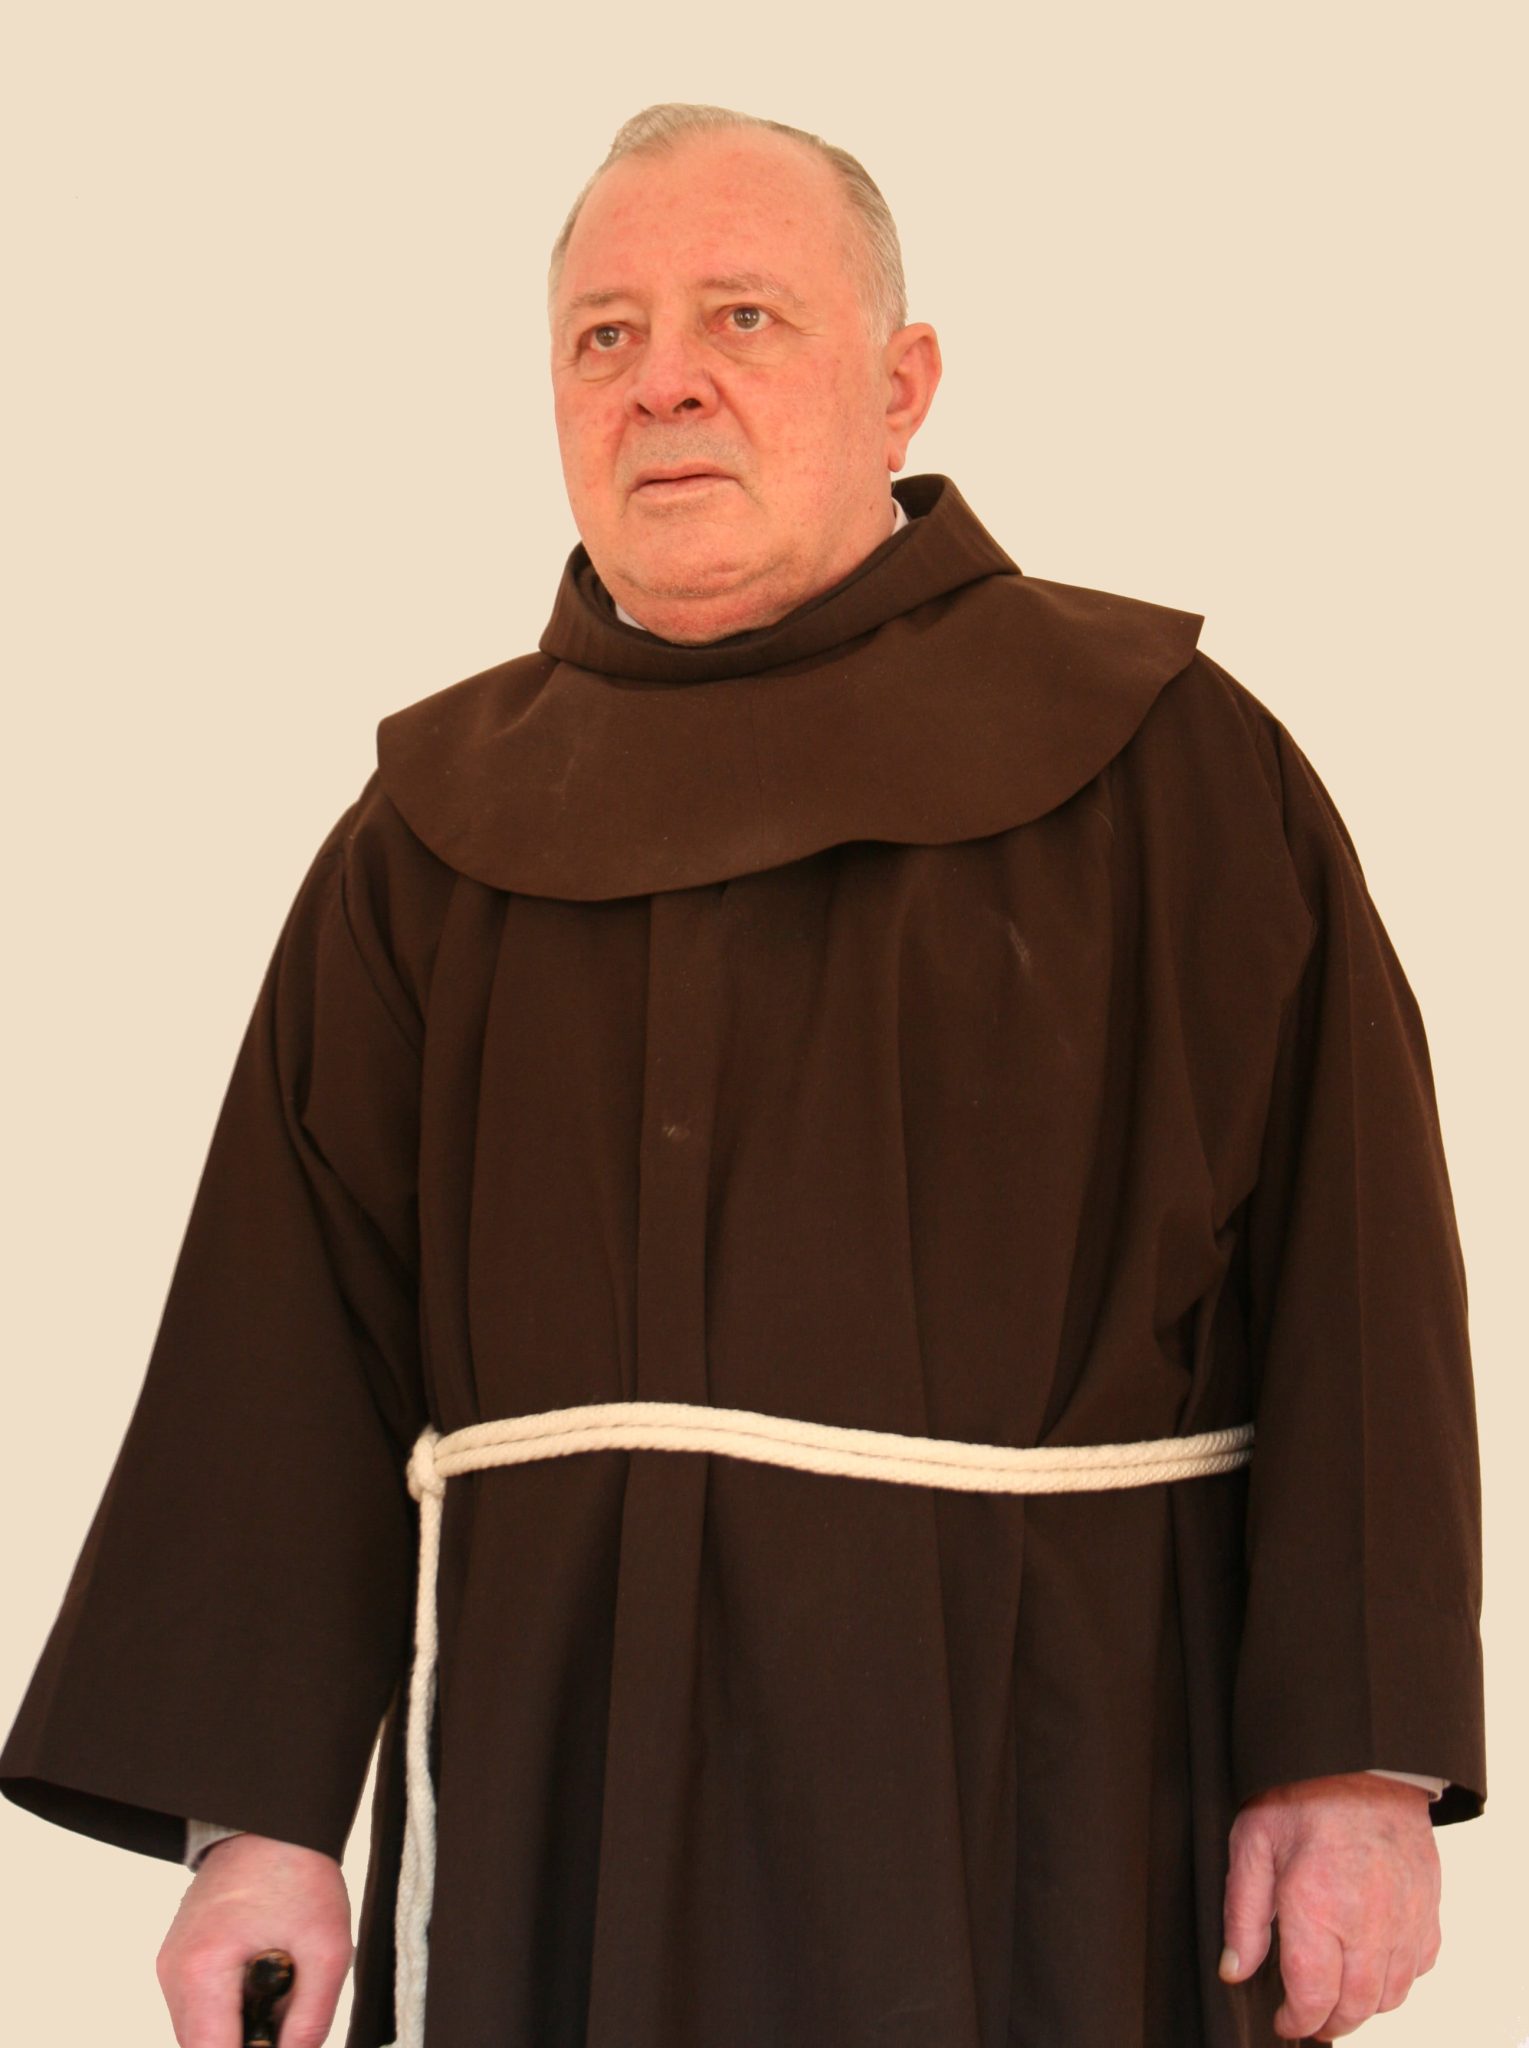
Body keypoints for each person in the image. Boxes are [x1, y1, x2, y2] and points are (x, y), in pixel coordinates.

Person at [0, 101, 1485, 2048]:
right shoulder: (434, 837)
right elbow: (281, 1356)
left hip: (1057, 1772)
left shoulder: (1174, 769)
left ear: (902, 382)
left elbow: (1359, 1289)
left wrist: (1357, 1767)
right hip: (558, 1786)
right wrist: (254, 1833)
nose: (663, 381)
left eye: (743, 316)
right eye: (603, 335)